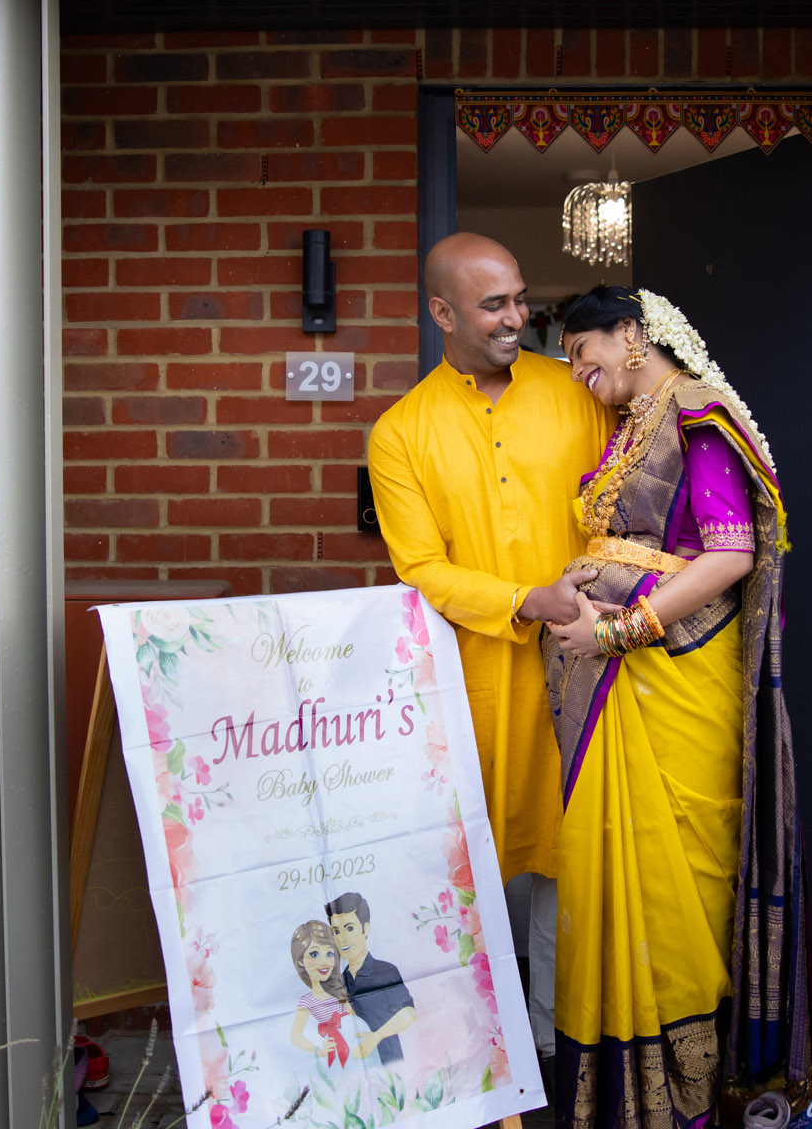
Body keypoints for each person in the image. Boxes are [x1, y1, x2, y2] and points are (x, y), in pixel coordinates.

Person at [539, 285, 812, 1128]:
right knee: (621, 870)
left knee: (680, 880)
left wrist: (618, 630)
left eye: (582, 352)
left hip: (675, 681)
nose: (577, 372)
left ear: (631, 332)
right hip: (619, 686)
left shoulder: (697, 414)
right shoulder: (633, 424)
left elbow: (729, 556)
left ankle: (685, 1100)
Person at [366, 233, 614, 1062]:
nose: (516, 317)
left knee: (578, 863)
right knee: (482, 866)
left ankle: (563, 1050)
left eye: (518, 298)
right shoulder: (401, 433)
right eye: (493, 304)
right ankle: (487, 1058)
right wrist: (524, 601)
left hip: (596, 665)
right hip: (478, 683)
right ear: (442, 313)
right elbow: (422, 569)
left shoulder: (575, 390)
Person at [325, 892, 415, 1065]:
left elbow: (410, 1013)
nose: (342, 939)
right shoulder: (340, 981)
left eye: (349, 928)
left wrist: (377, 1036)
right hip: (356, 1066)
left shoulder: (385, 971)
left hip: (390, 1063)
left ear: (365, 929)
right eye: (336, 931)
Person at [287, 920, 360, 1067]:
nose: (324, 962)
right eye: (314, 954)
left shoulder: (340, 989)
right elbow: (295, 1036)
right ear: (300, 961)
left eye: (329, 953)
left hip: (357, 1045)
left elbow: (355, 1018)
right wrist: (319, 1049)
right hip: (335, 1052)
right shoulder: (307, 1001)